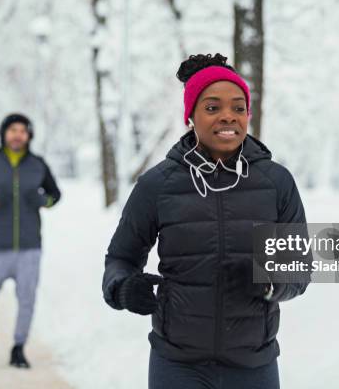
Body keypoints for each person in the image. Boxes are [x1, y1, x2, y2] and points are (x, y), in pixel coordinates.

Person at [102, 53, 312, 388]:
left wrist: (269, 282)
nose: (228, 116)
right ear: (191, 116)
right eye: (213, 107)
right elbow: (121, 258)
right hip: (178, 365)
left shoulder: (276, 183)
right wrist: (123, 288)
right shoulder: (158, 184)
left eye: (238, 107)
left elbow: (298, 268)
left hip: (253, 364)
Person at [0, 113, 61, 368]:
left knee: (27, 299)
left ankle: (18, 347)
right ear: (4, 133)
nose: (17, 135)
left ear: (29, 135)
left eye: (22, 130)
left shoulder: (38, 164)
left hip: (30, 249)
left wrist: (43, 201)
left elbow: (55, 195)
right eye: (12, 130)